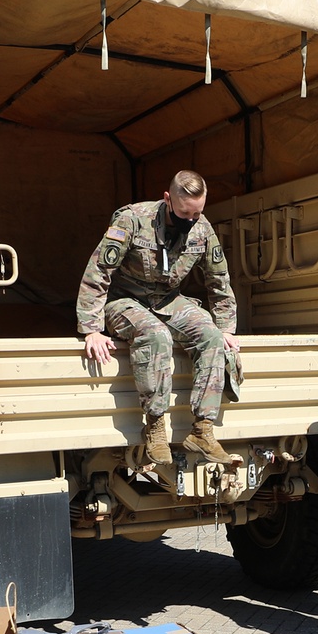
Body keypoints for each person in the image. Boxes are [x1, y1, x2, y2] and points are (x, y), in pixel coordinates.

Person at [78, 169, 239, 466]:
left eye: (197, 213)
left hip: (168, 300)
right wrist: (91, 329)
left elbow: (218, 279)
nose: (190, 220)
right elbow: (98, 272)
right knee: (155, 335)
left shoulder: (201, 228)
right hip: (124, 300)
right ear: (168, 199)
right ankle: (155, 428)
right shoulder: (132, 220)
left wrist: (226, 326)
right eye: (184, 213)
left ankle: (202, 430)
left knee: (213, 337)